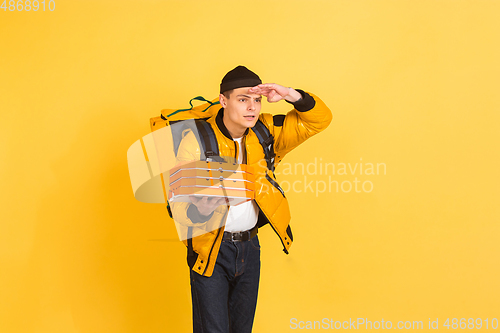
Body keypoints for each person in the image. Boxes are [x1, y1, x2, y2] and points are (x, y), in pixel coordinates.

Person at [171, 65, 332, 332]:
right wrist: (209, 205)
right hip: (211, 249)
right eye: (242, 99)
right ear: (224, 101)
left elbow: (319, 120)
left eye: (256, 100)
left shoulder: (265, 131)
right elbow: (177, 205)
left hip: (249, 248)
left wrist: (291, 94)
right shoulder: (196, 139)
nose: (252, 108)